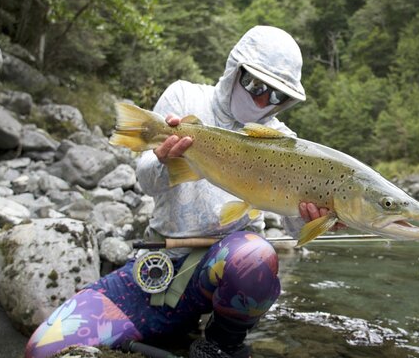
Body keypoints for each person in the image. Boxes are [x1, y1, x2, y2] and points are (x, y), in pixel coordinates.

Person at [25, 25, 335, 358]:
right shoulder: (186, 97)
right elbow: (146, 182)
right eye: (255, 84)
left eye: (277, 95)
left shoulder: (285, 143)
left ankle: (221, 344)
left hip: (225, 275)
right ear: (235, 70)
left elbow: (292, 232)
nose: (262, 99)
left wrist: (314, 219)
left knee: (256, 256)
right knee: (42, 350)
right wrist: (162, 158)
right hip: (159, 266)